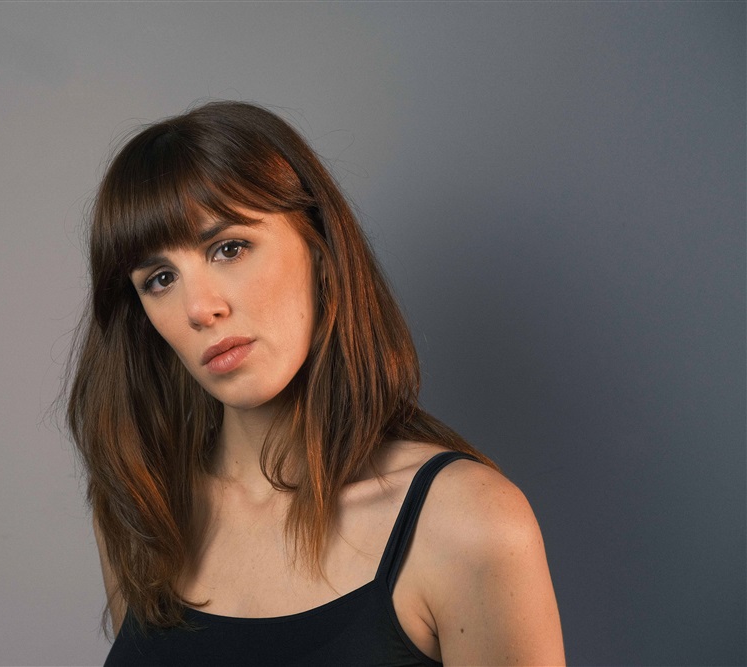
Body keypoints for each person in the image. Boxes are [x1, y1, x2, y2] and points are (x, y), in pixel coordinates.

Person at [65, 100, 564, 666]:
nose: (199, 308)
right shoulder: (142, 510)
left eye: (229, 248)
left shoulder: (468, 524)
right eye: (160, 279)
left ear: (319, 247)